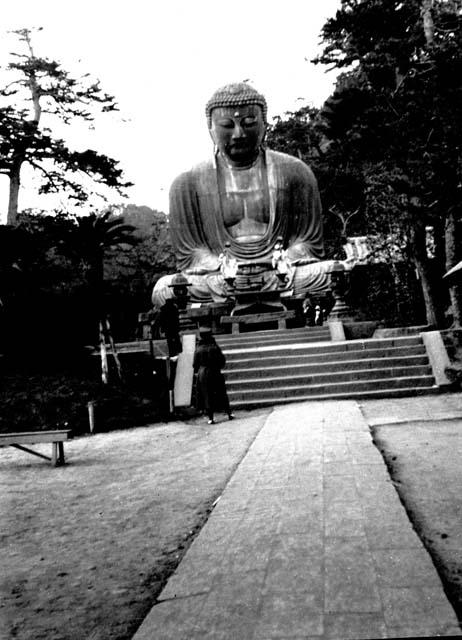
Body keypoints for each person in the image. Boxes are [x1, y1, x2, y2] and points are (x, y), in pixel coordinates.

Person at [152, 82, 338, 308]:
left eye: (249, 123)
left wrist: (278, 263)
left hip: (281, 272)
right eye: (227, 125)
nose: (239, 134)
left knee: (332, 273)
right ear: (210, 127)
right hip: (221, 277)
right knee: (165, 289)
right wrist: (227, 268)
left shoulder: (295, 172)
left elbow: (307, 243)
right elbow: (191, 254)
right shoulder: (187, 183)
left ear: (264, 125)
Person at [193, 328, 234, 424]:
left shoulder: (198, 349)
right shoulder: (215, 347)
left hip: (203, 372)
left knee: (207, 395)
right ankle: (229, 413)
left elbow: (195, 364)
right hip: (215, 371)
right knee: (221, 392)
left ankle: (210, 418)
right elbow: (222, 361)